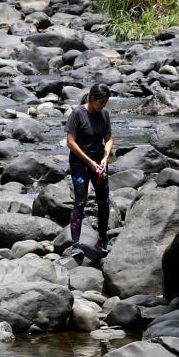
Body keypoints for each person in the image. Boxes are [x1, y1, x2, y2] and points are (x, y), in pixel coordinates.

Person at [65, 84, 112, 253]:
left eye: (106, 102)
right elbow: (70, 142)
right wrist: (89, 162)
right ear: (92, 99)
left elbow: (108, 139)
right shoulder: (78, 114)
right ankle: (75, 244)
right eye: (101, 102)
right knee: (80, 200)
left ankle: (103, 240)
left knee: (104, 201)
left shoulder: (105, 114)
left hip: (99, 162)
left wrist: (105, 158)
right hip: (80, 162)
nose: (103, 106)